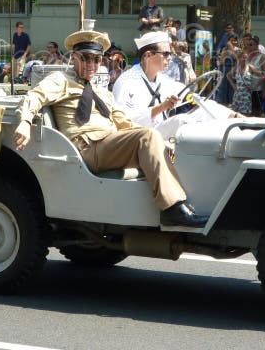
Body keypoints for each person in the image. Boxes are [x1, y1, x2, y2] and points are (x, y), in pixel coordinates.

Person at [15, 28, 208, 228]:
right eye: (86, 58)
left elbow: (125, 122)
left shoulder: (102, 92)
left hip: (108, 145)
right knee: (147, 137)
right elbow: (34, 96)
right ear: (74, 58)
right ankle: (172, 208)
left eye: (97, 60)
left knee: (158, 138)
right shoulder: (61, 80)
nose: (92, 65)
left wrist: (162, 143)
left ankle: (187, 203)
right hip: (85, 147)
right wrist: (25, 122)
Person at [113, 30, 235, 140]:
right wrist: (161, 107)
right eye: (166, 54)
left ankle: (235, 125)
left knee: (201, 111)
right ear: (148, 55)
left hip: (159, 133)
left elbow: (195, 99)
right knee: (182, 120)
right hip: (138, 136)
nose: (170, 58)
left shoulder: (165, 81)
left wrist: (232, 115)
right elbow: (124, 121)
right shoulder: (126, 81)